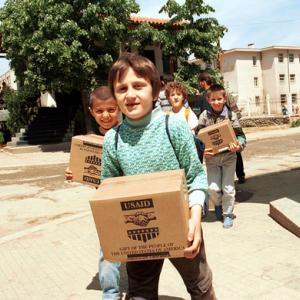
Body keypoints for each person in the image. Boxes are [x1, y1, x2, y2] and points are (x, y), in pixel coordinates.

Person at [101, 52, 216, 299]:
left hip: (182, 226)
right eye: (122, 88)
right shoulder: (113, 139)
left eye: (138, 86)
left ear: (155, 92)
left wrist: (195, 220)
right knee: (140, 292)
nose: (130, 94)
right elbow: (108, 190)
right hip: (139, 234)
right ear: (115, 94)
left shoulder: (172, 126)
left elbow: (196, 176)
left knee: (201, 286)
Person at [65, 86, 121, 300]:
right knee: (108, 249)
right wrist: (74, 172)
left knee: (136, 252)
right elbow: (88, 170)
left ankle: (137, 289)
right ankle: (110, 292)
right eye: (100, 111)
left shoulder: (128, 135)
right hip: (105, 203)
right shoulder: (89, 141)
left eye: (111, 109)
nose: (106, 115)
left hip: (129, 198)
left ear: (119, 108)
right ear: (91, 111)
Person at [198, 84, 246, 228]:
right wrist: (202, 151)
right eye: (213, 100)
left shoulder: (231, 116)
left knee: (228, 188)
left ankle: (227, 214)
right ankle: (218, 204)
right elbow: (198, 138)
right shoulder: (204, 116)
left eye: (219, 99)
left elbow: (240, 136)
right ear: (208, 100)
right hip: (212, 158)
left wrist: (238, 145)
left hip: (229, 157)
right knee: (212, 188)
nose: (216, 102)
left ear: (225, 99)